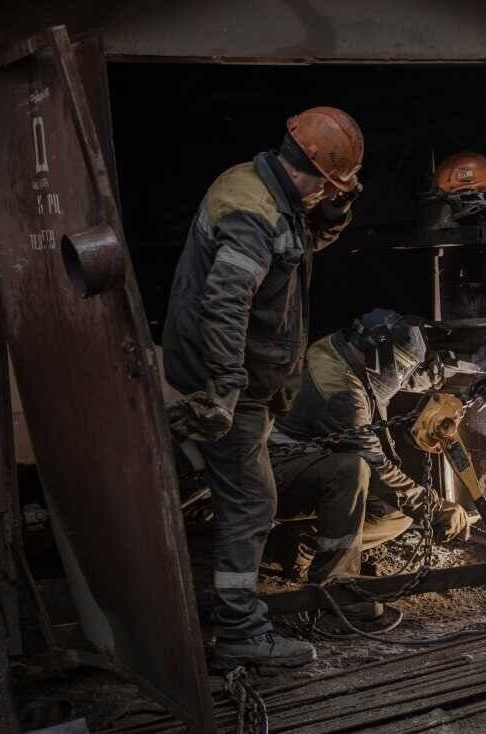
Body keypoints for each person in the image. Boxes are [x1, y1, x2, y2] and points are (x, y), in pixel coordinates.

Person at [163, 107, 363, 669]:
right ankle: (239, 635)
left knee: (241, 496)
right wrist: (224, 392)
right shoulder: (252, 214)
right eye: (331, 186)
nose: (328, 195)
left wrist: (337, 209)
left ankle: (231, 620)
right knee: (251, 502)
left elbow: (300, 245)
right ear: (316, 175)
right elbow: (225, 306)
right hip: (230, 384)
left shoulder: (266, 187)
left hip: (250, 382)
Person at [267, 309, 470, 623]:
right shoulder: (342, 393)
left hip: (300, 463)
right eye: (400, 366)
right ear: (379, 354)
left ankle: (302, 544)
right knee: (353, 470)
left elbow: (393, 377)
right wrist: (436, 507)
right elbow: (375, 467)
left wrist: (444, 378)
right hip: (274, 472)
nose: (400, 374)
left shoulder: (342, 347)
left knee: (398, 513)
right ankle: (336, 594)